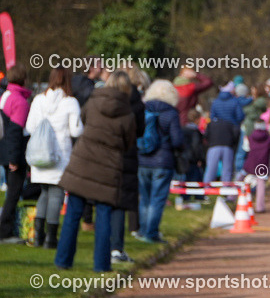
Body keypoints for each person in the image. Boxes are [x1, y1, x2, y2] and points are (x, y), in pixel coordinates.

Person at [54, 70, 137, 272]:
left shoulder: (93, 101)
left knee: (73, 214)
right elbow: (128, 144)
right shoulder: (127, 114)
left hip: (83, 162)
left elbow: (82, 122)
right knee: (104, 217)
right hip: (108, 168)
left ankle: (63, 261)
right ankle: (101, 265)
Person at [25, 67, 83, 248]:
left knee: (44, 193)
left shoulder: (38, 100)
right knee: (56, 194)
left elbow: (29, 126)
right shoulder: (70, 102)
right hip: (59, 155)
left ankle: (38, 236)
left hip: (39, 154)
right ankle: (50, 238)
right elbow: (76, 130)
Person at [137, 79, 184, 243]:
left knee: (144, 198)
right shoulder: (171, 113)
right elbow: (177, 140)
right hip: (163, 161)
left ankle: (142, 231)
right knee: (157, 199)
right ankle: (151, 233)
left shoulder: (143, 109)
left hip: (143, 158)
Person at [0, 64, 32, 242]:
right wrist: (14, 158)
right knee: (14, 192)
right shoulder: (19, 101)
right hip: (14, 152)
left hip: (4, 149)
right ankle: (5, 231)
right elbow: (15, 130)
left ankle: (6, 226)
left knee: (11, 192)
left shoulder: (5, 95)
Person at [243, 121, 270, 213]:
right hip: (269, 165)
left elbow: (246, 149)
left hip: (251, 164)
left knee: (244, 179)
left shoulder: (251, 137)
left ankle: (238, 195)